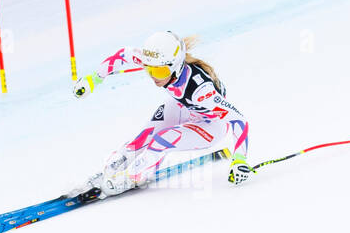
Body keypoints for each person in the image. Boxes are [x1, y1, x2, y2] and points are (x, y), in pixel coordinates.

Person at [72, 31, 252, 197]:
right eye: (149, 69)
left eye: (159, 71)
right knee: (143, 137)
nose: (154, 77)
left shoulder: (201, 91)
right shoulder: (157, 60)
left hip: (211, 124)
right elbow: (122, 56)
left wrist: (239, 159)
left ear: (175, 66)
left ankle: (135, 176)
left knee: (163, 139)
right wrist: (94, 79)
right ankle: (117, 165)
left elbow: (238, 120)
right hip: (184, 107)